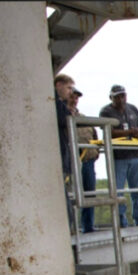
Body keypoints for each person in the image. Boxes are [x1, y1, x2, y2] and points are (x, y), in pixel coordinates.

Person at [99, 84, 138, 228]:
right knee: (118, 192)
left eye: (123, 95)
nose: (121, 99)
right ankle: (121, 223)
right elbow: (108, 131)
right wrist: (129, 132)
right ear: (111, 98)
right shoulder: (106, 111)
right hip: (118, 157)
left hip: (135, 155)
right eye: (117, 97)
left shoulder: (132, 108)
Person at [66, 86, 99, 233]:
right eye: (72, 97)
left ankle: (88, 226)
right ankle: (71, 228)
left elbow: (95, 136)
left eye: (76, 98)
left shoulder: (84, 118)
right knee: (71, 194)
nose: (74, 100)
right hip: (70, 163)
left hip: (88, 162)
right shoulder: (61, 117)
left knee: (89, 194)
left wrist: (95, 152)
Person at [54, 73, 76, 230]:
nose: (71, 92)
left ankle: (69, 226)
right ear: (58, 85)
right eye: (69, 88)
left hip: (60, 154)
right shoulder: (54, 102)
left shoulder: (57, 102)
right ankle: (68, 227)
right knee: (61, 194)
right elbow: (65, 119)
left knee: (63, 193)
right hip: (57, 156)